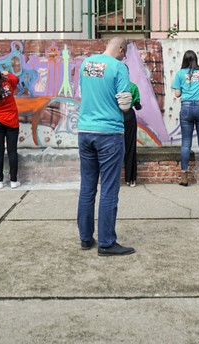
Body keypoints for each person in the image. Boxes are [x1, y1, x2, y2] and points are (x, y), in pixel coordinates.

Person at [77, 37, 135, 256]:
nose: (125, 56)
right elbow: (125, 103)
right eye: (125, 52)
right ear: (120, 49)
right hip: (109, 133)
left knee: (87, 187)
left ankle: (85, 238)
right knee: (109, 188)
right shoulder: (118, 67)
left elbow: (83, 92)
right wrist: (126, 109)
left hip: (85, 131)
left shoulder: (86, 64)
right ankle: (107, 243)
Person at [171, 50, 199, 187]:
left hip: (186, 107)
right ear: (196, 59)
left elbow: (177, 94)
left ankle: (184, 177)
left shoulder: (179, 73)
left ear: (184, 60)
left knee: (185, 143)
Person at [123, 81, 143, 187]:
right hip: (129, 116)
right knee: (130, 147)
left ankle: (112, 179)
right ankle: (130, 179)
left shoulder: (111, 85)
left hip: (114, 116)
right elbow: (137, 106)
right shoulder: (132, 86)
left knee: (112, 148)